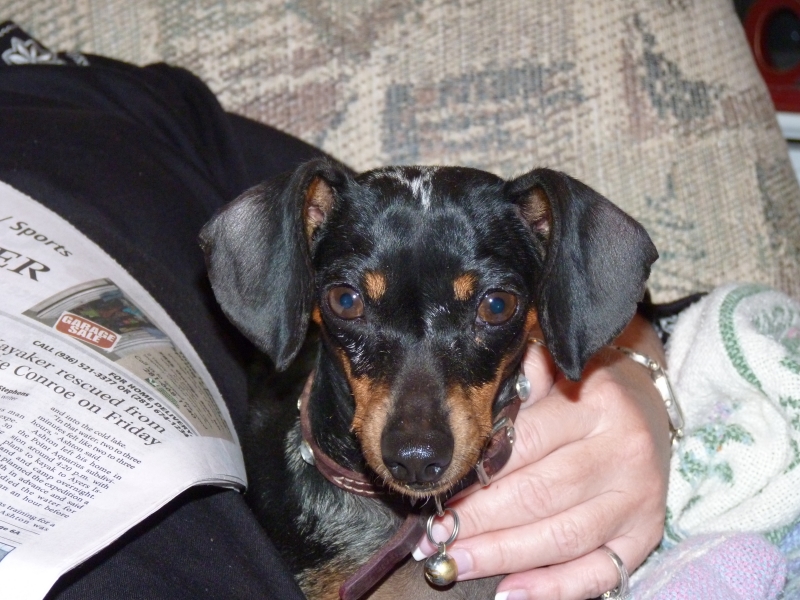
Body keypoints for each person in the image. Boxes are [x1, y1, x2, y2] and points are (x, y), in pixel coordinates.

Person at [0, 24, 679, 600]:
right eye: (350, 302)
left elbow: (415, 231)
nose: (418, 437)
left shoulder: (128, 103)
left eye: (494, 304)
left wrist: (634, 371)